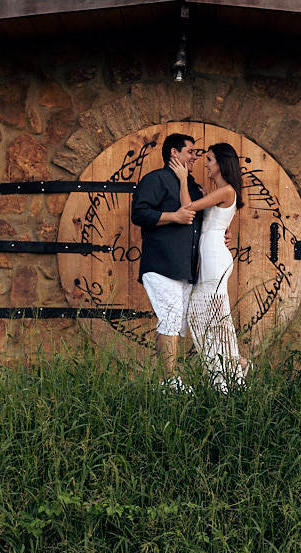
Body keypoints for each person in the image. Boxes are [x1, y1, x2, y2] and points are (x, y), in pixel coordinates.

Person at [174, 142, 249, 391]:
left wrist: (182, 180)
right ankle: (235, 364)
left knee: (215, 317)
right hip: (211, 256)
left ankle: (230, 374)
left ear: (221, 163)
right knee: (201, 316)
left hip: (215, 259)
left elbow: (188, 208)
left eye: (209, 159)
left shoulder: (226, 190)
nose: (206, 164)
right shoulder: (218, 191)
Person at [130, 133, 203, 387]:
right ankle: (170, 381)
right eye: (190, 151)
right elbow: (139, 213)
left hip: (184, 267)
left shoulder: (191, 185)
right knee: (170, 319)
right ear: (174, 152)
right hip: (162, 264)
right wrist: (173, 217)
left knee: (177, 324)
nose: (195, 157)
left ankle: (171, 378)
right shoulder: (156, 179)